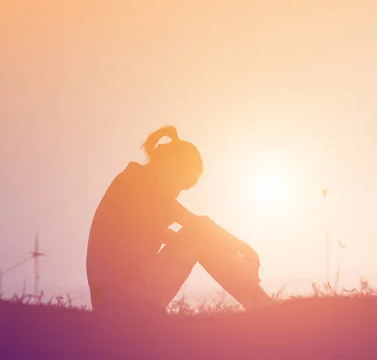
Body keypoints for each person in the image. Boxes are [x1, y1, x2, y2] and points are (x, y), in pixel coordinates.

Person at [85, 126, 274, 313]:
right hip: (125, 300)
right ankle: (263, 306)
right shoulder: (139, 183)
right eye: (182, 184)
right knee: (199, 233)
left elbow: (182, 242)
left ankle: (260, 303)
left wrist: (225, 254)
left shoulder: (134, 185)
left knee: (200, 237)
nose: (177, 192)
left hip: (118, 301)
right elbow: (200, 227)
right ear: (170, 165)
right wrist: (242, 247)